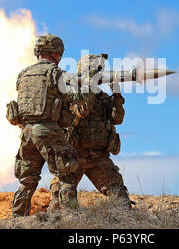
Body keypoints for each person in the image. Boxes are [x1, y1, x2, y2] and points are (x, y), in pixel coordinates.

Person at [9, 33, 94, 217]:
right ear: (57, 53)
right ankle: (70, 218)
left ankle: (16, 218)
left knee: (27, 180)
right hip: (48, 132)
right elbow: (78, 97)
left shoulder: (23, 74)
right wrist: (89, 85)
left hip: (26, 133)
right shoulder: (56, 74)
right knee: (68, 174)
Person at [48, 54, 131, 210]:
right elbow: (82, 112)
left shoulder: (103, 98)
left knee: (120, 198)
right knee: (61, 199)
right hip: (74, 155)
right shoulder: (72, 94)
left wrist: (117, 96)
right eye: (95, 70)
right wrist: (89, 89)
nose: (99, 73)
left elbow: (117, 119)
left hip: (98, 157)